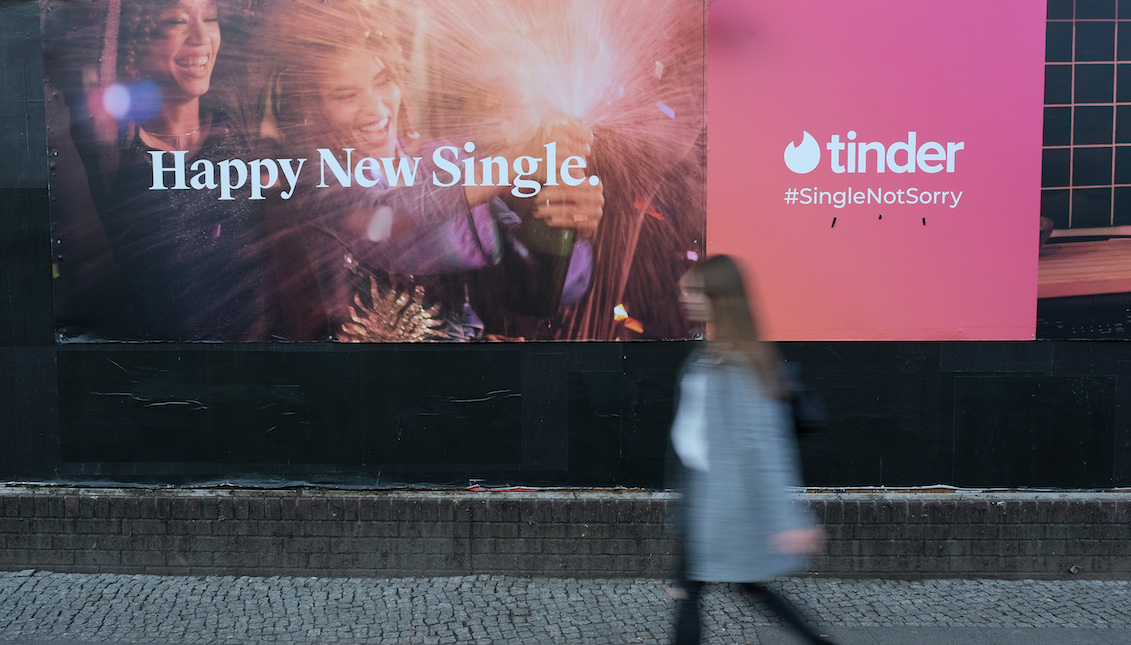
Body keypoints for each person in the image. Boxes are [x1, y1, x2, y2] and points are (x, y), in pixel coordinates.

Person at [262, 0, 604, 341]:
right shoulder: (315, 183)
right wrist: (516, 161)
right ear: (311, 110)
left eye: (383, 81)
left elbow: (534, 286)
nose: (376, 106)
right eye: (345, 95)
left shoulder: (441, 161)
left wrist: (566, 228)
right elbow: (390, 225)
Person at [65, 0, 276, 340]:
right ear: (135, 38)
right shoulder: (116, 148)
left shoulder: (236, 118)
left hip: (259, 362)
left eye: (211, 18)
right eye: (177, 21)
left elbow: (266, 20)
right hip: (171, 372)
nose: (202, 36)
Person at [670, 255, 835, 644]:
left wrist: (789, 520)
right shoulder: (711, 355)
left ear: (719, 297)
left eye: (696, 290)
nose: (686, 296)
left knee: (699, 590)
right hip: (705, 498)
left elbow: (764, 448)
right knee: (736, 588)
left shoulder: (741, 365)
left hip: (727, 505)